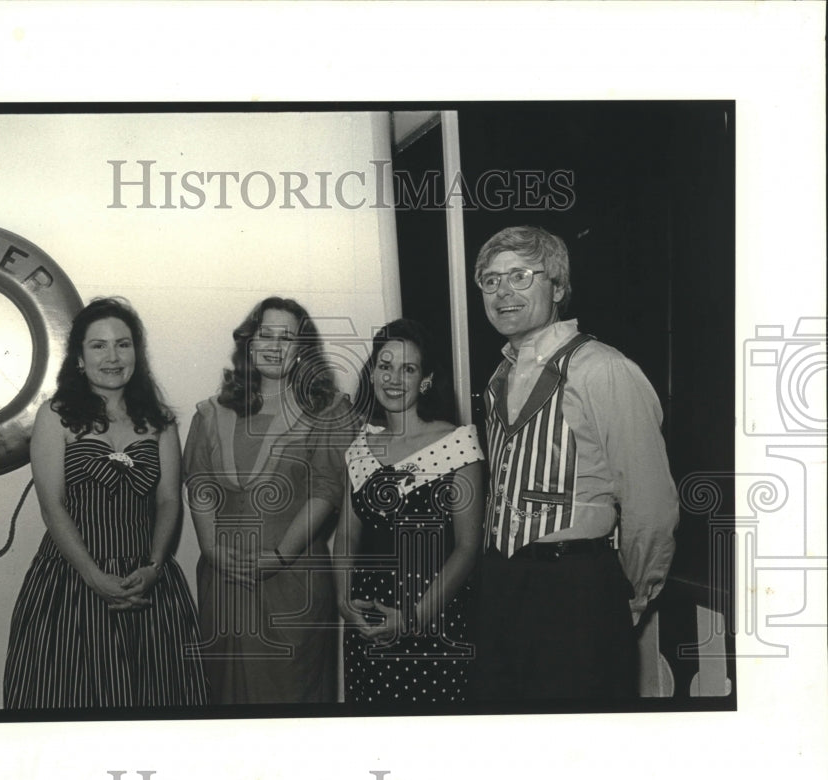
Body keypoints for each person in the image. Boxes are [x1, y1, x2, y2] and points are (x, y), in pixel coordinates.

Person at [470, 225, 679, 700]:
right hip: (502, 588)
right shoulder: (499, 375)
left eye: (521, 276)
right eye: (490, 279)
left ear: (558, 287)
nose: (503, 291)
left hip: (575, 590)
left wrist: (627, 599)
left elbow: (651, 508)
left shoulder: (602, 368)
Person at [3, 298, 209, 708]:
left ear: (137, 352)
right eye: (98, 346)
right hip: (70, 584)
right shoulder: (55, 415)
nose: (112, 357)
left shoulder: (159, 421)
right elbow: (52, 506)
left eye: (123, 344)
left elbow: (169, 501)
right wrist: (94, 577)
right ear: (79, 358)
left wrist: (153, 566)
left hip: (147, 584)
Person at [183, 296, 356, 704]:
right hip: (224, 580)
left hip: (291, 580)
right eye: (266, 334)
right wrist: (211, 550)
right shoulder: (211, 413)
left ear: (302, 350)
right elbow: (200, 485)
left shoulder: (328, 410)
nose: (275, 345)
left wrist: (278, 556)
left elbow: (327, 490)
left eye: (288, 337)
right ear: (249, 341)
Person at [333, 319, 485, 705]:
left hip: (433, 620)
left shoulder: (457, 442)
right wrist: (344, 603)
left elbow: (467, 548)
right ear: (372, 373)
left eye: (409, 368)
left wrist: (413, 619)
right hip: (368, 624)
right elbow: (347, 537)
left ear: (427, 380)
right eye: (385, 366)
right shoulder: (360, 449)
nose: (394, 378)